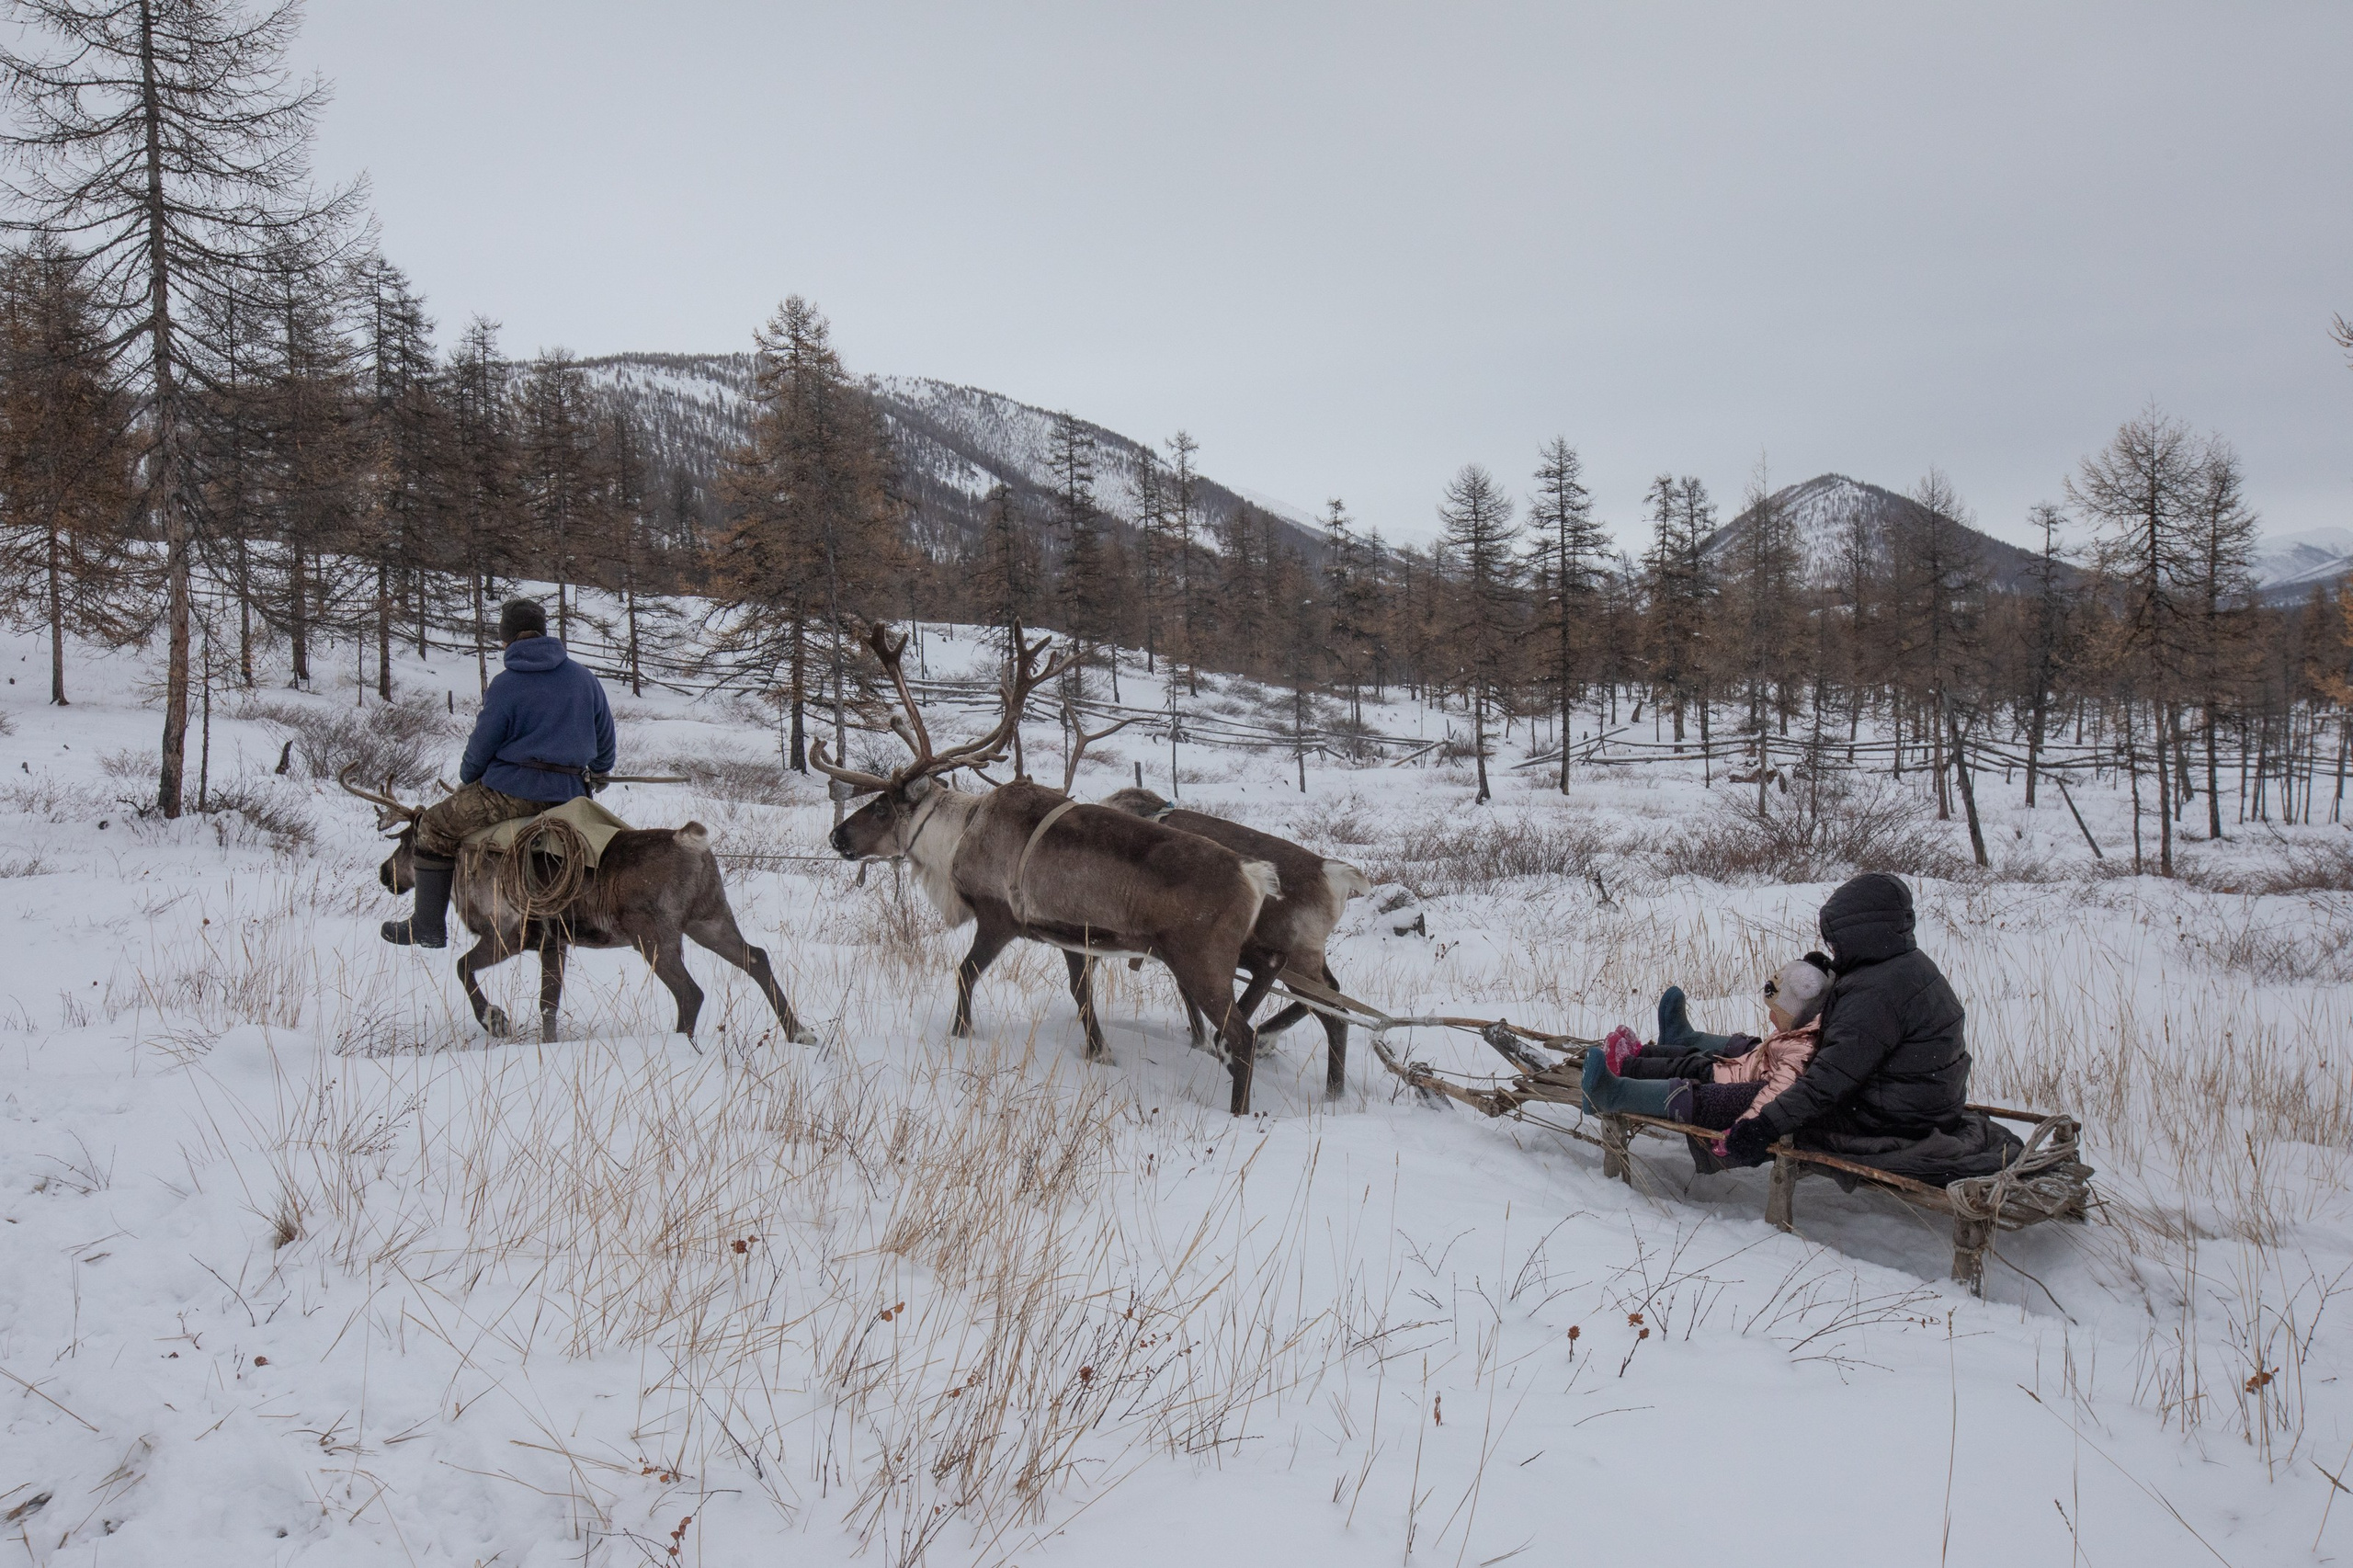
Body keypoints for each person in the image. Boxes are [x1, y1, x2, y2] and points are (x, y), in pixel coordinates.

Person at [381, 598, 617, 948]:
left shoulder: (507, 684)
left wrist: (468, 778)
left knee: (431, 825)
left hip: (511, 794)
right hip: (571, 795)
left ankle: (427, 925)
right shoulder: (584, 678)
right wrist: (598, 772)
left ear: (506, 638)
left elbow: (481, 746)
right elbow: (605, 739)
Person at [1713, 871, 1969, 1167]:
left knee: (1756, 1091)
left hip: (1890, 1121)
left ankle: (1678, 1088)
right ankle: (1689, 1050)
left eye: (1836, 939)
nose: (1833, 947)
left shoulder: (1877, 994)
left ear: (1859, 934)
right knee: (1773, 1061)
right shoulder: (1910, 965)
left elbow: (1828, 1081)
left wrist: (1764, 1127)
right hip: (1924, 1108)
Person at [1580, 956, 1834, 1131]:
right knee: (1696, 1060)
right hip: (1739, 1070)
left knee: (1688, 1070)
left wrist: (1747, 1125)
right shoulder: (1803, 1032)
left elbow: (1779, 1090)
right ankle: (1644, 1054)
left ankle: (1627, 1068)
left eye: (1775, 1014)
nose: (1770, 1018)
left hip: (1735, 1081)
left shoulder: (1802, 1046)